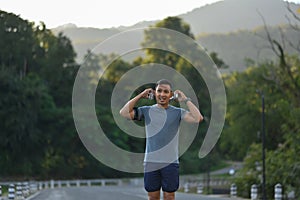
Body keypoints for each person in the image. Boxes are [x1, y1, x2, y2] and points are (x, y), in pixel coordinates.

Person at [119, 79, 203, 200]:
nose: (162, 94)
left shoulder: (178, 112)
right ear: (155, 93)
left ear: (171, 94)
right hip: (151, 162)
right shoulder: (146, 110)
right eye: (159, 91)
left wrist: (185, 100)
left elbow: (198, 118)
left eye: (166, 91)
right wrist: (141, 95)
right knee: (153, 197)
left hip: (170, 163)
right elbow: (123, 113)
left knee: (169, 196)